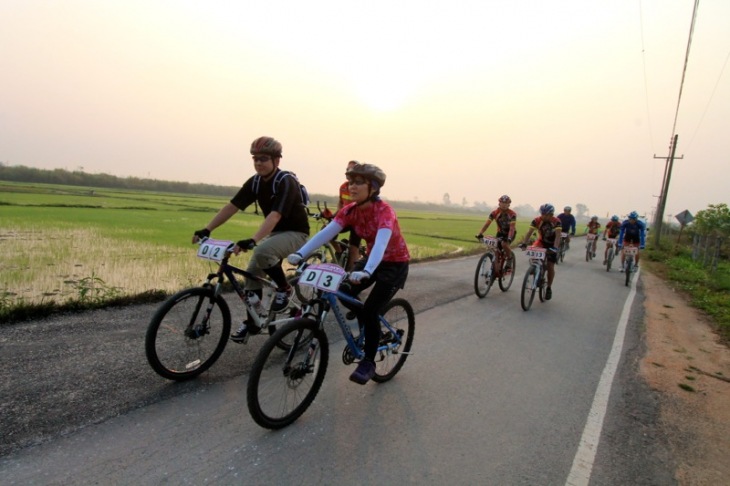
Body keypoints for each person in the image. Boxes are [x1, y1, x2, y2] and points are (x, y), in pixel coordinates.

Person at [288, 163, 409, 385]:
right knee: (343, 289)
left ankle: (369, 361)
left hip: (394, 264)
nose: (351, 187)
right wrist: (300, 253)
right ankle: (369, 326)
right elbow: (326, 233)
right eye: (350, 182)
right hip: (372, 260)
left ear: (372, 187)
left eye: (358, 182)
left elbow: (382, 244)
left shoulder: (385, 212)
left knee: (371, 309)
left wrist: (367, 271)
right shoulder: (350, 210)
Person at [192, 136, 310, 342]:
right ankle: (254, 322)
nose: (258, 163)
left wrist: (254, 239)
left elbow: (275, 215)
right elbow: (232, 206)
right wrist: (207, 228)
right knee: (252, 273)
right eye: (255, 159)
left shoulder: (285, 181)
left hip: (297, 234)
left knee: (262, 252)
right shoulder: (255, 182)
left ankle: (285, 288)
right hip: (275, 234)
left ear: (277, 161)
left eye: (263, 159)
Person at [518, 203, 562, 300]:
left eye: (546, 215)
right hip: (541, 241)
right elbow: (529, 232)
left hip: (553, 243)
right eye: (543, 214)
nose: (544, 216)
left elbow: (558, 236)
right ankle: (535, 268)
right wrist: (524, 243)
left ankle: (549, 287)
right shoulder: (537, 220)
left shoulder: (556, 221)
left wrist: (555, 248)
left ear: (551, 214)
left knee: (550, 266)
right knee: (534, 254)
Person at [476, 195, 517, 270]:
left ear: (509, 204)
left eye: (506, 203)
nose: (504, 205)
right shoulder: (494, 213)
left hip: (510, 233)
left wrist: (509, 238)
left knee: (504, 244)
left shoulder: (512, 214)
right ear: (499, 203)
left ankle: (510, 259)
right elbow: (487, 224)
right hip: (500, 233)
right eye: (502, 203)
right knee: (496, 249)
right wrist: (480, 233)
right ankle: (496, 269)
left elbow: (512, 227)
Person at [336, 160, 362, 271]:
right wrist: (336, 215)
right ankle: (339, 251)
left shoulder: (361, 188)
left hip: (357, 222)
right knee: (326, 231)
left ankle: (350, 275)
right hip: (345, 220)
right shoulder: (343, 187)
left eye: (351, 169)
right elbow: (340, 202)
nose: (348, 172)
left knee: (353, 249)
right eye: (347, 169)